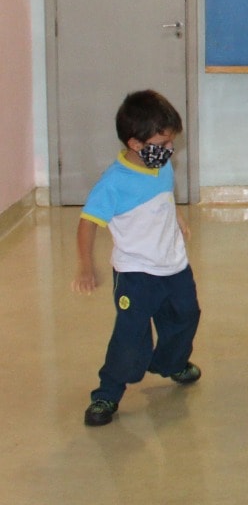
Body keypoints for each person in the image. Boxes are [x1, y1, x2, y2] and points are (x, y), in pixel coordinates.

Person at [73, 90, 202, 427]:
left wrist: (177, 218)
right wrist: (86, 265)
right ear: (135, 143)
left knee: (186, 317)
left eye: (172, 140)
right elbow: (87, 224)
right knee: (131, 337)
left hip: (174, 266)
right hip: (136, 273)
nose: (170, 149)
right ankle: (107, 392)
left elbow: (164, 198)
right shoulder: (114, 183)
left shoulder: (162, 166)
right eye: (163, 141)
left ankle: (171, 363)